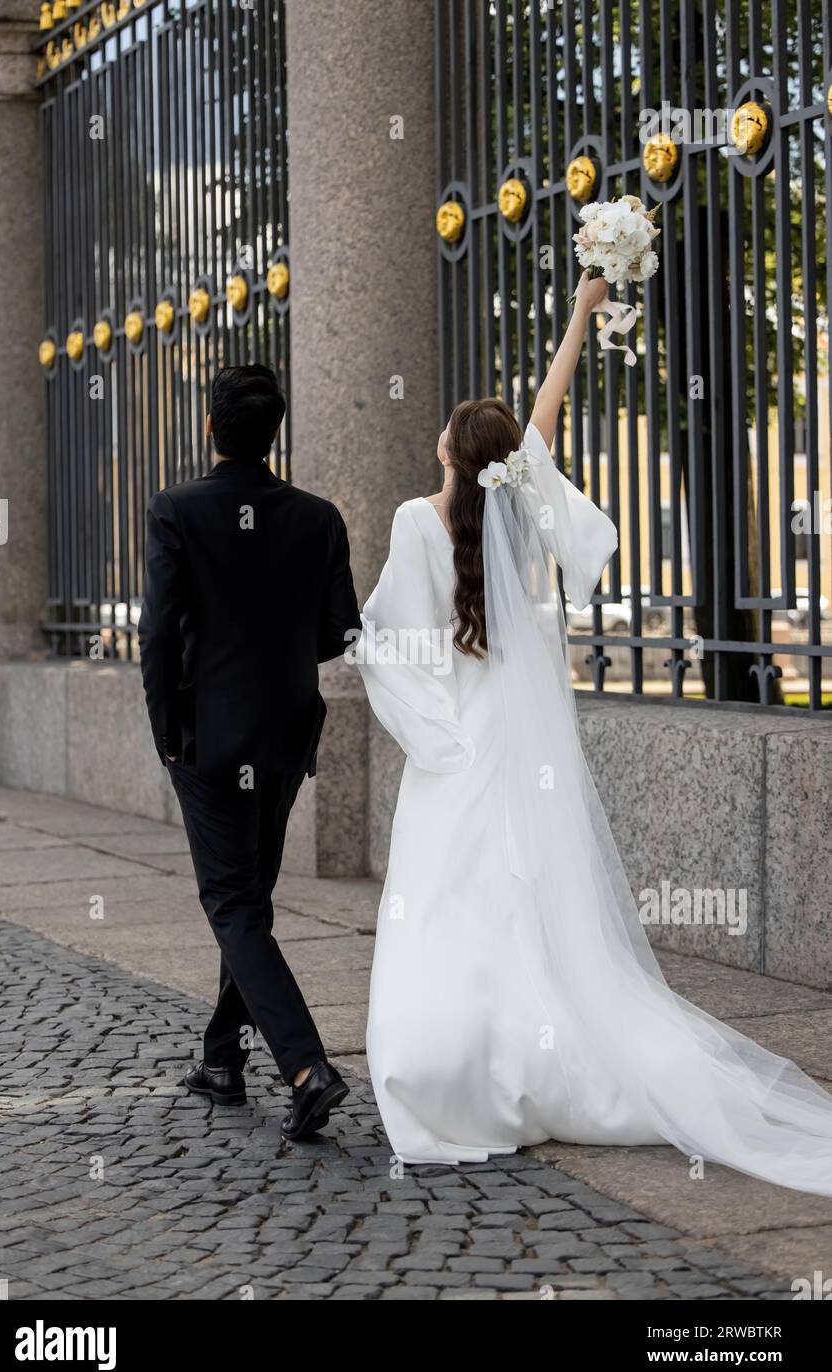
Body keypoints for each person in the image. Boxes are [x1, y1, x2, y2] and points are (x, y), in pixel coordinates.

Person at [357, 272, 832, 1193]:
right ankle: (543, 1060)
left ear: (451, 450)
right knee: (530, 902)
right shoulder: (526, 513)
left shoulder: (417, 519)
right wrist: (580, 312)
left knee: (448, 901)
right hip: (517, 743)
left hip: (457, 743)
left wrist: (424, 724)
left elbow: (388, 639)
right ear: (506, 463)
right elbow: (548, 405)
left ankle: (448, 1074)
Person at [138, 364, 357, 1140]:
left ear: (211, 429)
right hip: (288, 734)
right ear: (275, 434)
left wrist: (167, 731)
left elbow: (158, 633)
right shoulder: (318, 517)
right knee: (248, 903)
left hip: (209, 737)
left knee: (231, 903)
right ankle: (222, 1060)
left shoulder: (176, 510)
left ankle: (305, 1068)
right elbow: (337, 634)